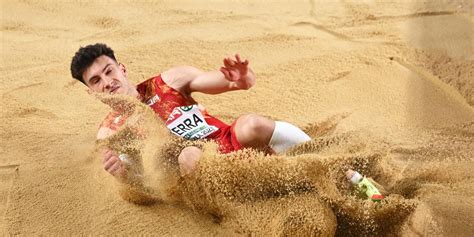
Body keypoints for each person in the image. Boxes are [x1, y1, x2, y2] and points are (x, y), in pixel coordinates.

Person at [70, 43, 311, 180]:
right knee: (188, 155)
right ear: (93, 92)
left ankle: (328, 160)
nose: (107, 81)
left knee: (252, 124)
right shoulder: (111, 132)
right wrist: (122, 175)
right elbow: (141, 182)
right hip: (198, 173)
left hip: (227, 142)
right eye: (96, 80)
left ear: (122, 69)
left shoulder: (169, 82)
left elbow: (232, 82)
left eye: (109, 71)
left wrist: (241, 78)